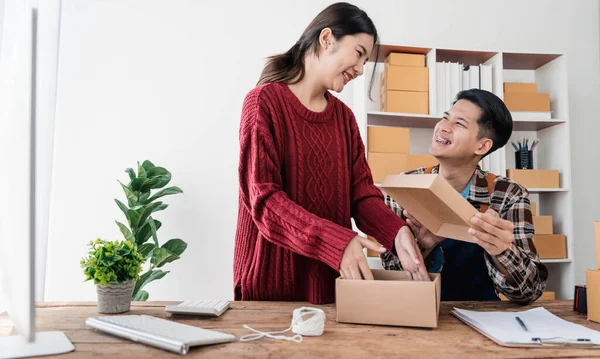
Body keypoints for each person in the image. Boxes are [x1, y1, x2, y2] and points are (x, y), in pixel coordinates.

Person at [233, 2, 417, 305]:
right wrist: (335, 242)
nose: (360, 70)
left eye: (365, 62)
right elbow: (265, 201)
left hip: (332, 286)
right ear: (327, 38)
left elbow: (362, 194)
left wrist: (396, 232)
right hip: (271, 288)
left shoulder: (344, 119)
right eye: (358, 53)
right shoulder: (263, 103)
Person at [381, 89, 549, 305]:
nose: (443, 127)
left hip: (484, 316)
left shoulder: (508, 195)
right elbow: (392, 273)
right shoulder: (405, 187)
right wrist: (424, 244)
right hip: (418, 310)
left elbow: (530, 292)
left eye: (459, 123)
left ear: (483, 145)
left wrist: (503, 251)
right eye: (445, 117)